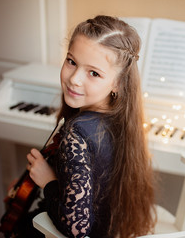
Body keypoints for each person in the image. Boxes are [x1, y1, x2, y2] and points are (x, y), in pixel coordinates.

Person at [23, 15, 156, 238]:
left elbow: (77, 227)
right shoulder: (122, 118)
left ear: (118, 83)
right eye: (71, 61)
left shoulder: (77, 134)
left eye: (94, 73)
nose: (74, 79)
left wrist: (48, 181)